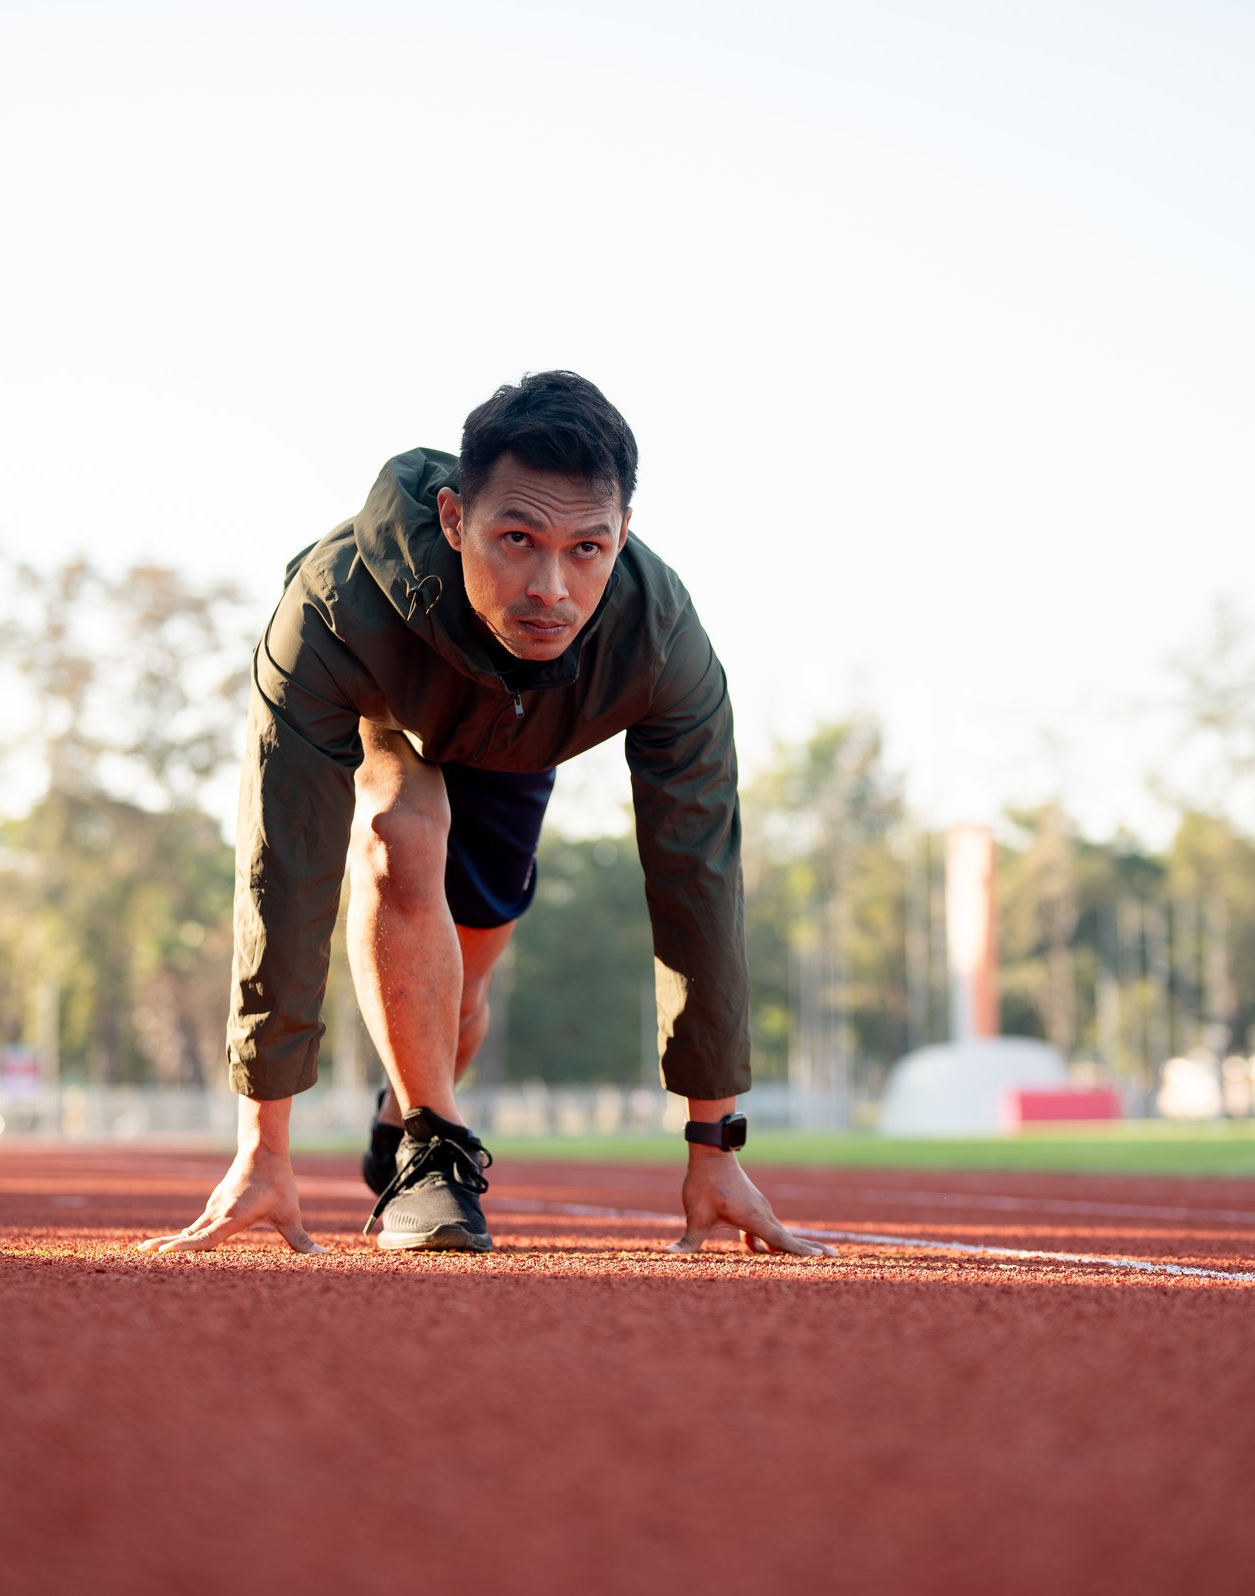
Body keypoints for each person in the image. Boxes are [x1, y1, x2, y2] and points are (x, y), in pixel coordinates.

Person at [141, 372, 831, 1258]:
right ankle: (432, 1149)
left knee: (460, 991)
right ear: (455, 520)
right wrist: (262, 1146)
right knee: (398, 839)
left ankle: (404, 1106)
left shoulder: (660, 641)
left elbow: (697, 874)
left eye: (588, 548)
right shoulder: (331, 606)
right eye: (518, 538)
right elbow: (288, 866)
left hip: (522, 738)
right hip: (396, 704)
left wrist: (715, 1145)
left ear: (622, 538)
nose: (550, 586)